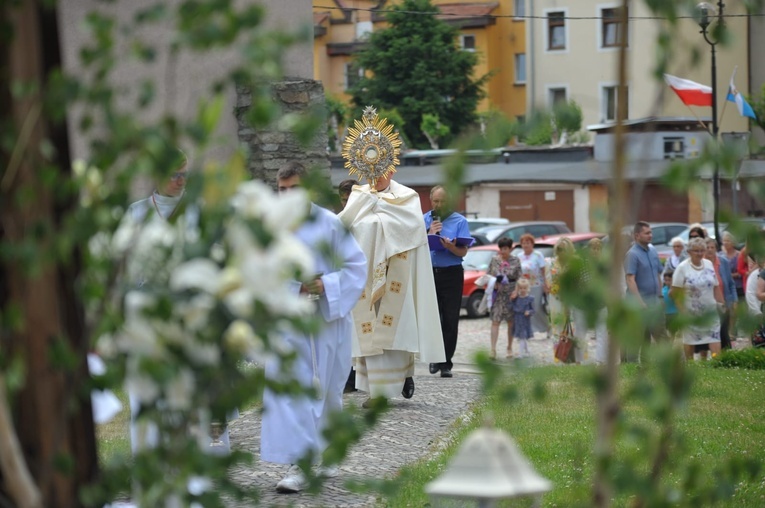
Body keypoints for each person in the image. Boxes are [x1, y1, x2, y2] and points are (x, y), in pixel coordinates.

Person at [261, 162, 367, 493]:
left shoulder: (330, 224)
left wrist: (327, 286)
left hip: (326, 321)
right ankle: (301, 462)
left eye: (294, 189)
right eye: (282, 190)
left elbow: (357, 267)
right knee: (293, 390)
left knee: (328, 389)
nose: (288, 196)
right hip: (288, 322)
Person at [337, 106, 445, 404]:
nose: (377, 175)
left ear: (391, 166)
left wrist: (379, 214)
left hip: (396, 278)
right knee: (369, 338)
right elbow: (345, 228)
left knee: (395, 338)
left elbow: (411, 230)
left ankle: (398, 382)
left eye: (382, 168)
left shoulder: (406, 198)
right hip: (366, 278)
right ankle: (376, 391)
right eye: (371, 169)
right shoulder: (359, 197)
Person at [424, 185, 471, 377]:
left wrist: (451, 247)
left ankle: (446, 363)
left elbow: (463, 251)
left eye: (443, 201)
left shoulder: (460, 221)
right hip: (429, 272)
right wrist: (428, 234)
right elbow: (414, 246)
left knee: (450, 318)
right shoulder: (424, 219)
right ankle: (434, 357)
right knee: (432, 318)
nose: (439, 204)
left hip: (451, 273)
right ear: (431, 200)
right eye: (436, 201)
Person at [670, 237, 724, 361]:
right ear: (689, 252)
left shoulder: (709, 264)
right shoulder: (682, 268)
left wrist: (721, 303)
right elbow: (675, 293)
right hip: (691, 312)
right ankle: (690, 364)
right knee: (690, 339)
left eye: (701, 250)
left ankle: (717, 365)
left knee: (715, 337)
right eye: (696, 251)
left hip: (710, 311)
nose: (699, 253)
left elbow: (716, 286)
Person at [624, 220, 664, 360]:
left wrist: (660, 296)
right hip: (638, 304)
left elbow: (658, 274)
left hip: (654, 302)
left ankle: (650, 366)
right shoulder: (632, 254)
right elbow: (630, 279)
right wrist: (640, 303)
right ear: (637, 235)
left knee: (658, 336)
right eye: (647, 233)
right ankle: (631, 367)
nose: (650, 235)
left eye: (651, 232)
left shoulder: (653, 250)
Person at [572, 237, 610, 364]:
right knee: (581, 332)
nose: (595, 251)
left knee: (602, 332)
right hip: (582, 303)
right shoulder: (581, 263)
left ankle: (601, 359)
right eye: (593, 248)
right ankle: (580, 359)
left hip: (600, 302)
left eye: (598, 248)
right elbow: (575, 282)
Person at [548, 237, 583, 363]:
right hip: (556, 298)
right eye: (559, 249)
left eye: (564, 249)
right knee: (557, 327)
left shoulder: (575, 263)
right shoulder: (552, 263)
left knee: (574, 327)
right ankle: (560, 356)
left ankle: (577, 358)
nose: (562, 252)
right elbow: (548, 281)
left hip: (572, 297)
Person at [487, 238, 522, 359]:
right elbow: (489, 274)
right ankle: (493, 349)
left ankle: (509, 347)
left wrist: (516, 291)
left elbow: (520, 278)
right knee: (495, 321)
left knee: (511, 322)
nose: (503, 251)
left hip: (511, 294)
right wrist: (493, 283)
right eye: (501, 248)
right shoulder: (494, 260)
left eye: (505, 248)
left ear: (510, 248)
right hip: (498, 294)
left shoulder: (515, 260)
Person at [705, 237, 737, 349]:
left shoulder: (723, 262)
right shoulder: (702, 263)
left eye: (712, 247)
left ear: (716, 249)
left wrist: (734, 300)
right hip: (707, 305)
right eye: (707, 247)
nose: (709, 250)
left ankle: (725, 356)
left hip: (722, 303)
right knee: (709, 334)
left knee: (724, 333)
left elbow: (730, 283)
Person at [514, 233, 549, 335]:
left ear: (532, 244)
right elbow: (517, 271)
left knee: (536, 308)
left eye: (528, 243)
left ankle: (546, 326)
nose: (526, 245)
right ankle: (531, 329)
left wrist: (545, 284)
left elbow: (543, 270)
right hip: (524, 286)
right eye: (524, 243)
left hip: (536, 284)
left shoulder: (538, 255)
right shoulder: (519, 256)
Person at [719, 231, 741, 338]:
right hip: (725, 288)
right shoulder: (721, 256)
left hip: (738, 287)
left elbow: (740, 271)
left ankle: (732, 332)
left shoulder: (738, 255)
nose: (726, 243)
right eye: (724, 241)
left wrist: (729, 275)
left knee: (735, 312)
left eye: (728, 241)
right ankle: (727, 333)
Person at [511, 278, 535, 358]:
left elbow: (533, 310)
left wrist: (529, 312)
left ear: (527, 288)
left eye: (524, 288)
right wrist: (512, 299)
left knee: (522, 337)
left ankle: (521, 354)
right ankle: (527, 351)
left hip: (525, 321)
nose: (522, 290)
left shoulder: (529, 299)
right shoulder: (516, 298)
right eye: (520, 288)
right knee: (522, 337)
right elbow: (511, 306)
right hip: (517, 319)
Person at [663, 270, 679, 340]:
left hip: (674, 314)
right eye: (666, 280)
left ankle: (671, 346)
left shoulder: (676, 290)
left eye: (669, 280)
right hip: (665, 314)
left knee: (672, 332)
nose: (667, 282)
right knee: (665, 332)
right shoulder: (663, 289)